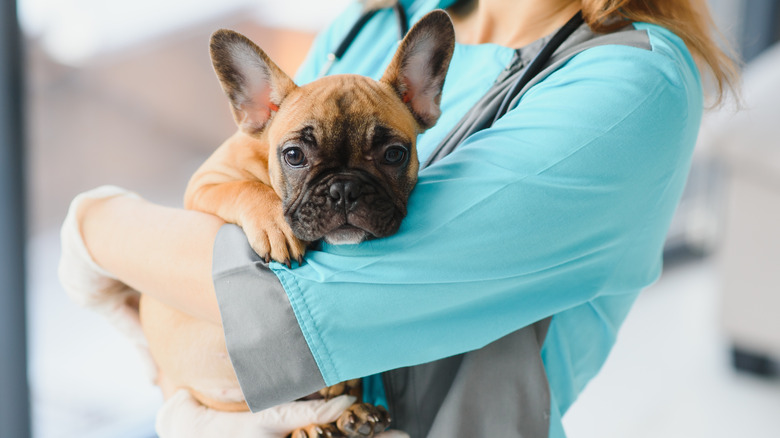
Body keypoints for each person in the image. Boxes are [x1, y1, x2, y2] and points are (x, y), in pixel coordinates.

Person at [60, 0, 738, 436]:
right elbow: (226, 186)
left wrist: (100, 228)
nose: (346, 193)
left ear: (423, 92)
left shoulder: (626, 82)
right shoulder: (369, 25)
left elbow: (287, 309)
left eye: (389, 153)